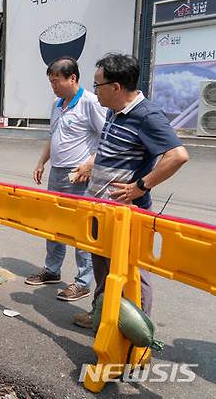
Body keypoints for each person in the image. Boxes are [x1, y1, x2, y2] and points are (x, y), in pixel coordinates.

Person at [72, 53, 189, 328]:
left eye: (97, 85)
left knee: (134, 272)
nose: (94, 91)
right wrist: (90, 164)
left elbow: (178, 155)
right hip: (102, 207)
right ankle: (102, 314)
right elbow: (108, 147)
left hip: (128, 211)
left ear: (116, 87)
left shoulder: (147, 115)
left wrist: (141, 185)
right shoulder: (114, 111)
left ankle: (137, 332)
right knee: (102, 265)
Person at [25, 57, 107, 302]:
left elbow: (106, 137)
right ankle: (52, 270)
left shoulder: (90, 102)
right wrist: (42, 162)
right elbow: (53, 137)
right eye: (50, 82)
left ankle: (83, 282)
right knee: (54, 225)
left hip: (79, 175)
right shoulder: (57, 103)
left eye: (56, 81)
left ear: (73, 78)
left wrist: (91, 163)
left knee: (81, 230)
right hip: (57, 173)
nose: (53, 86)